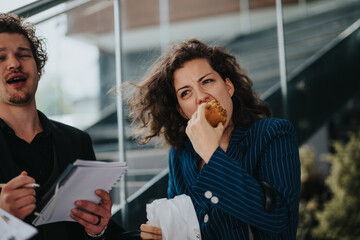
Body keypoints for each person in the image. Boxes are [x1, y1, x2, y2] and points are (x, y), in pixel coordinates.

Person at [126, 39, 301, 239]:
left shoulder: (273, 134)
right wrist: (161, 233)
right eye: (186, 93)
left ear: (228, 87)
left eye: (207, 81)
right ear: (182, 111)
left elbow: (280, 220)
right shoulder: (180, 154)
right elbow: (181, 226)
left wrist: (211, 152)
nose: (201, 97)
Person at [0, 13, 114, 239]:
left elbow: (92, 227)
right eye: (0, 58)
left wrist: (97, 229)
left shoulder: (78, 140)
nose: (14, 63)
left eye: (23, 55)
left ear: (37, 67)